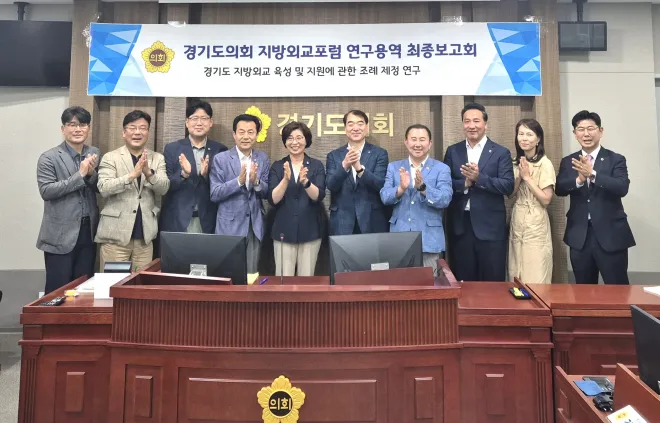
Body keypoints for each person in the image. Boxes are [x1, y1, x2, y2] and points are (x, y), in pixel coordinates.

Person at [556, 110, 635, 285]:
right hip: (580, 235)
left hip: (611, 235)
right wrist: (579, 180)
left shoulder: (616, 159)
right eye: (581, 129)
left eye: (591, 128)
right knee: (584, 290)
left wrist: (592, 174)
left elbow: (622, 187)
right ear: (575, 133)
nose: (586, 134)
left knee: (618, 289)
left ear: (600, 131)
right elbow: (559, 189)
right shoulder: (569, 161)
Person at [444, 103, 514, 281]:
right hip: (461, 227)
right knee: (463, 281)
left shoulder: (500, 152)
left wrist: (479, 178)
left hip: (490, 227)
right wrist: (465, 183)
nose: (471, 126)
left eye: (476, 121)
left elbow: (507, 186)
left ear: (485, 124)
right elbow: (445, 184)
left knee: (492, 281)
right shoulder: (453, 151)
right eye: (467, 121)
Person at [36, 106, 100, 293]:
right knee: (58, 290)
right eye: (72, 125)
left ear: (88, 128)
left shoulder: (94, 152)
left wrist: (91, 174)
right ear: (63, 129)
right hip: (60, 235)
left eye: (83, 124)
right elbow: (46, 191)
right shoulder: (48, 157)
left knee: (84, 290)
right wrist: (80, 175)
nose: (78, 129)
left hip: (88, 232)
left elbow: (99, 188)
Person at [96, 110, 169, 271]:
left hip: (145, 238)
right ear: (124, 132)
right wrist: (131, 176)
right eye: (132, 127)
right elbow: (103, 188)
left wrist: (148, 173)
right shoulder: (111, 157)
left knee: (140, 284)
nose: (137, 132)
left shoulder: (157, 158)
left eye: (143, 128)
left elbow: (164, 188)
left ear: (148, 132)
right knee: (113, 282)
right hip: (115, 237)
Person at [380, 124, 452, 275]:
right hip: (399, 238)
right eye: (413, 139)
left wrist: (423, 188)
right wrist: (401, 188)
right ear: (406, 142)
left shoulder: (441, 168)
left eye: (422, 139)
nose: (417, 144)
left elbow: (445, 199)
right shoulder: (394, 167)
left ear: (429, 143)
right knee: (399, 284)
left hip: (429, 239)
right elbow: (385, 197)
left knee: (429, 285)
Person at [210, 114, 270, 274]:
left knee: (251, 275)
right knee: (229, 274)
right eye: (241, 132)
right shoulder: (221, 159)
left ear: (256, 135)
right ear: (234, 134)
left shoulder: (262, 158)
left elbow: (267, 193)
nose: (246, 136)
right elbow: (214, 193)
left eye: (250, 132)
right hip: (229, 227)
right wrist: (238, 181)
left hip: (254, 226)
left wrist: (256, 182)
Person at [267, 122, 326, 276]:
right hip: (283, 231)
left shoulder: (316, 165)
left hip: (310, 230)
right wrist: (285, 180)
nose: (295, 142)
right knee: (283, 280)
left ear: (306, 140)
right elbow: (273, 199)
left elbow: (319, 196)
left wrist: (306, 183)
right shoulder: (278, 166)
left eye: (299, 138)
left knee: (306, 280)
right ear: (285, 142)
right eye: (290, 138)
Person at [161, 100, 227, 234]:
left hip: (208, 219)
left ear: (211, 122)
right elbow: (166, 186)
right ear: (187, 122)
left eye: (204, 118)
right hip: (178, 219)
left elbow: (223, 188)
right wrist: (183, 175)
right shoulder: (172, 149)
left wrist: (205, 175)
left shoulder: (220, 150)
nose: (199, 123)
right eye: (194, 118)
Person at [326, 109, 388, 235]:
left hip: (371, 219)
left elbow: (380, 184)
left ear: (366, 128)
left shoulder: (379, 153)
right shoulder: (334, 155)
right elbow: (331, 185)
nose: (355, 128)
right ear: (345, 128)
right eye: (351, 124)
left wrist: (360, 170)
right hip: (342, 220)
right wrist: (345, 165)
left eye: (360, 124)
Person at [508, 119, 555, 284]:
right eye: (521, 134)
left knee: (535, 272)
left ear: (538, 139)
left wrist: (527, 178)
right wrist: (519, 177)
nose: (524, 138)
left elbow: (546, 199)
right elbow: (510, 194)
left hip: (536, 218)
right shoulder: (515, 162)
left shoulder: (545, 164)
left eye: (529, 134)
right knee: (516, 270)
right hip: (517, 217)